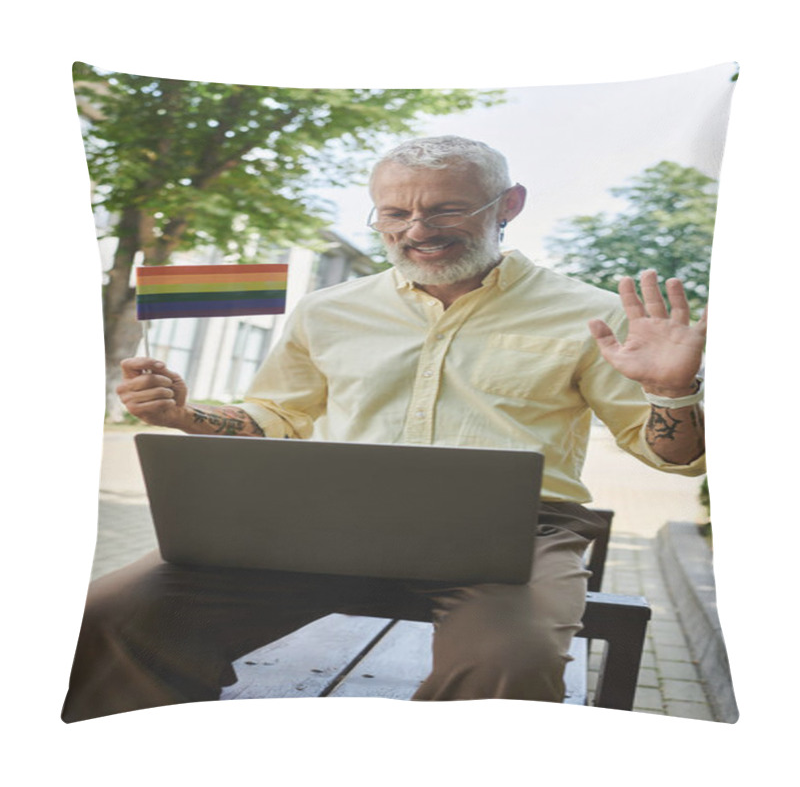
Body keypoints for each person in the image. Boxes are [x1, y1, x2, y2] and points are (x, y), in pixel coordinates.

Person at [62, 135, 706, 722]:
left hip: (514, 535)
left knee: (509, 658)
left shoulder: (590, 315)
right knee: (112, 615)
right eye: (395, 214)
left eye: (446, 210)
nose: (417, 230)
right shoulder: (329, 310)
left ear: (508, 204)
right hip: (329, 522)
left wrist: (671, 390)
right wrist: (184, 416)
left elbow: (674, 458)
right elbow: (277, 416)